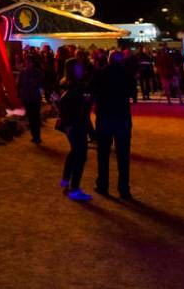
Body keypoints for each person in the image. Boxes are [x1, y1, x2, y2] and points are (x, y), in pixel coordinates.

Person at [92, 51, 133, 199]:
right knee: (123, 155)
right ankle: (124, 188)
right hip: (122, 117)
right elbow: (132, 93)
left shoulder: (100, 74)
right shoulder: (126, 74)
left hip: (105, 117)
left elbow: (93, 91)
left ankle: (102, 185)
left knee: (103, 153)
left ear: (108, 60)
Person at [57, 55, 92, 201]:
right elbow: (66, 104)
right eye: (79, 67)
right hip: (76, 124)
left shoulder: (71, 84)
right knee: (80, 155)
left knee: (75, 152)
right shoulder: (75, 86)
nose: (82, 68)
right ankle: (74, 188)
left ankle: (66, 179)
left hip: (72, 125)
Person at [17, 53, 45, 144]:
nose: (28, 63)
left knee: (35, 117)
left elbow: (40, 84)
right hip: (27, 98)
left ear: (32, 62)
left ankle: (37, 136)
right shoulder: (23, 72)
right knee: (30, 117)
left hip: (35, 98)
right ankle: (34, 136)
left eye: (29, 61)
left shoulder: (37, 72)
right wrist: (20, 95)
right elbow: (19, 84)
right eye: (26, 61)